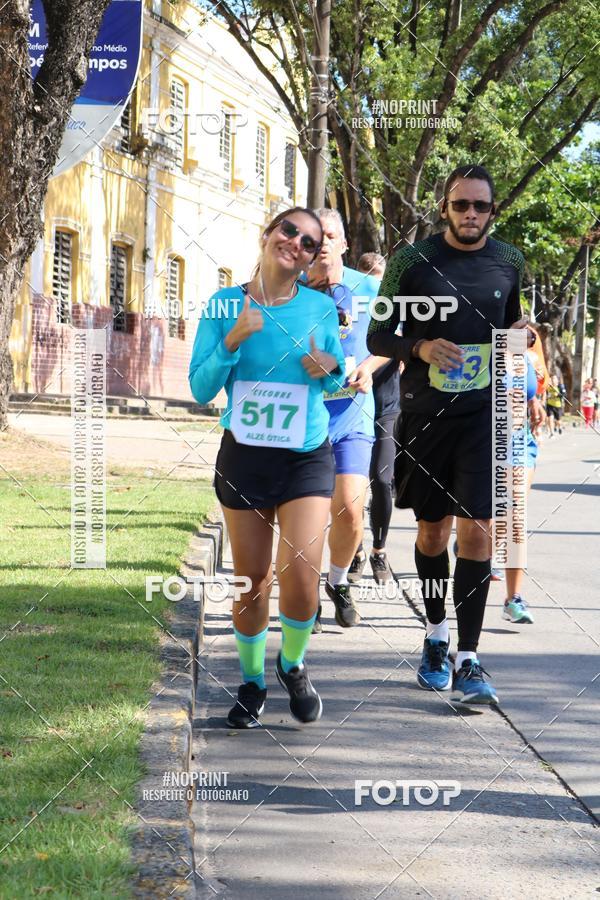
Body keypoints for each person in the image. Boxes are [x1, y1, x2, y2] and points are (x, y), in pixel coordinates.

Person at [367, 164, 527, 706]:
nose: (471, 215)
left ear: (492, 211)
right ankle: (436, 634)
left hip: (484, 416)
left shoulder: (509, 261)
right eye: (461, 205)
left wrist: (521, 336)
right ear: (445, 208)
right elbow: (377, 334)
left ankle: (469, 657)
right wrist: (421, 347)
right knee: (434, 534)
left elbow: (512, 324)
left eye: (481, 206)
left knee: (479, 530)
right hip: (425, 413)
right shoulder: (413, 262)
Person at [188, 207, 345, 728]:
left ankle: (292, 664)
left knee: (300, 577)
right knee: (250, 582)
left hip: (305, 455)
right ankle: (252, 681)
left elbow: (333, 376)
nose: (296, 243)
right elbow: (200, 388)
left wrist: (330, 370)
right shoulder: (223, 305)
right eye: (289, 231)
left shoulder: (320, 308)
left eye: (309, 242)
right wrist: (232, 339)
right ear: (267, 235)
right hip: (246, 457)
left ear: (310, 258)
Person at [307, 209, 389, 630]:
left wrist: (369, 368)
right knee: (308, 516)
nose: (323, 244)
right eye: (315, 237)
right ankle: (304, 601)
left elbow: (396, 339)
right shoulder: (293, 291)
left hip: (353, 415)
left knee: (351, 510)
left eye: (330, 237)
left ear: (343, 244)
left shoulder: (370, 288)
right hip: (302, 418)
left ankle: (338, 582)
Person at [345, 253, 400, 585]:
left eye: (379, 280)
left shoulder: (393, 310)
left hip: (385, 406)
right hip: (349, 406)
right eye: (369, 280)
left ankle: (379, 550)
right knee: (349, 490)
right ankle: (355, 551)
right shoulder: (345, 311)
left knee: (381, 480)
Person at [503, 355, 546, 624]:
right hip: (480, 439)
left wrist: (534, 400)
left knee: (514, 514)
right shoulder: (474, 334)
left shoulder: (524, 345)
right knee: (487, 524)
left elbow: (529, 386)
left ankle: (513, 598)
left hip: (519, 441)